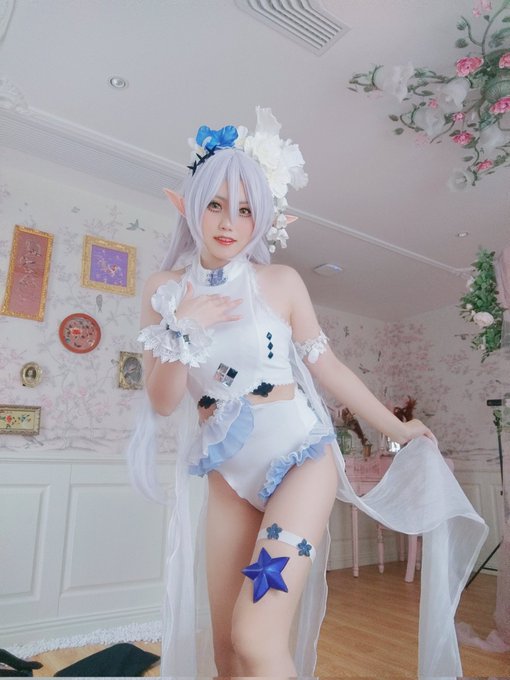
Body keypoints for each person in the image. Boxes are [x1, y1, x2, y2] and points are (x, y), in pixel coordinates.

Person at [128, 108, 487, 678]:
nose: (229, 222)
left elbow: (329, 368)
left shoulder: (280, 282)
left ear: (263, 217)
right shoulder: (163, 290)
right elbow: (163, 401)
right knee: (225, 651)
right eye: (215, 204)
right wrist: (183, 328)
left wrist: (398, 429)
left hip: (301, 457)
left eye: (246, 209)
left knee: (256, 636)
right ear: (187, 205)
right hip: (227, 473)